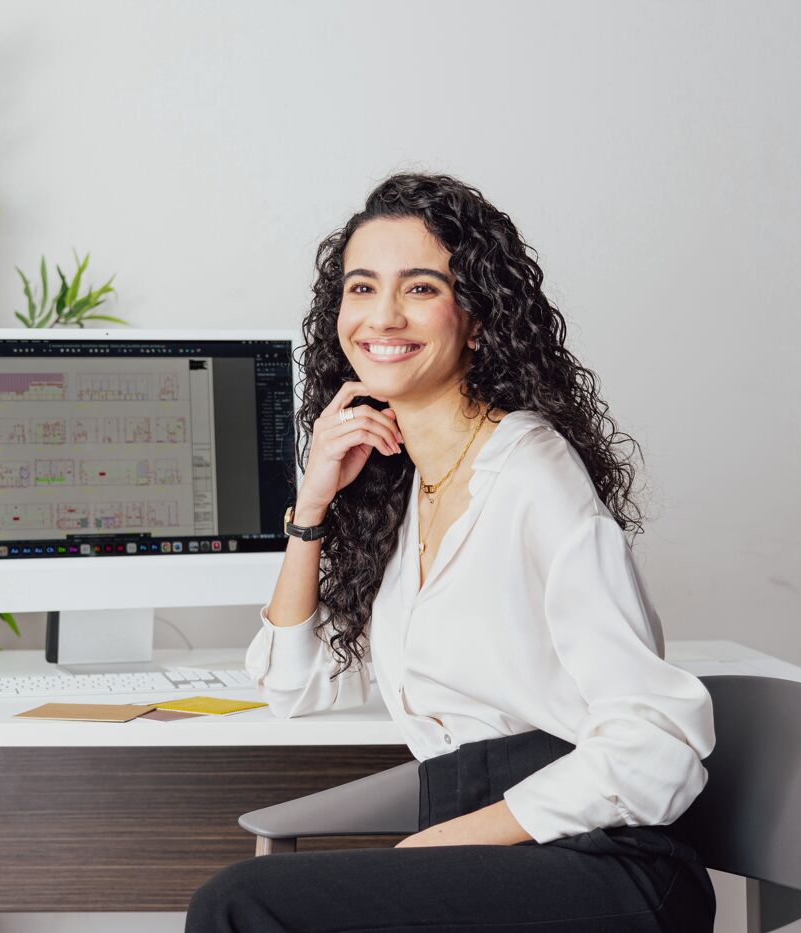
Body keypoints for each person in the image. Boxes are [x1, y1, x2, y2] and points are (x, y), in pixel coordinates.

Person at [185, 173, 717, 933]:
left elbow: (658, 739)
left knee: (238, 902)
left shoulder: (532, 475)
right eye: (362, 287)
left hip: (605, 864)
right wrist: (312, 505)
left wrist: (451, 837)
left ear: (476, 317)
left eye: (421, 287)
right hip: (497, 852)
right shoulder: (403, 487)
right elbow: (290, 684)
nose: (383, 316)